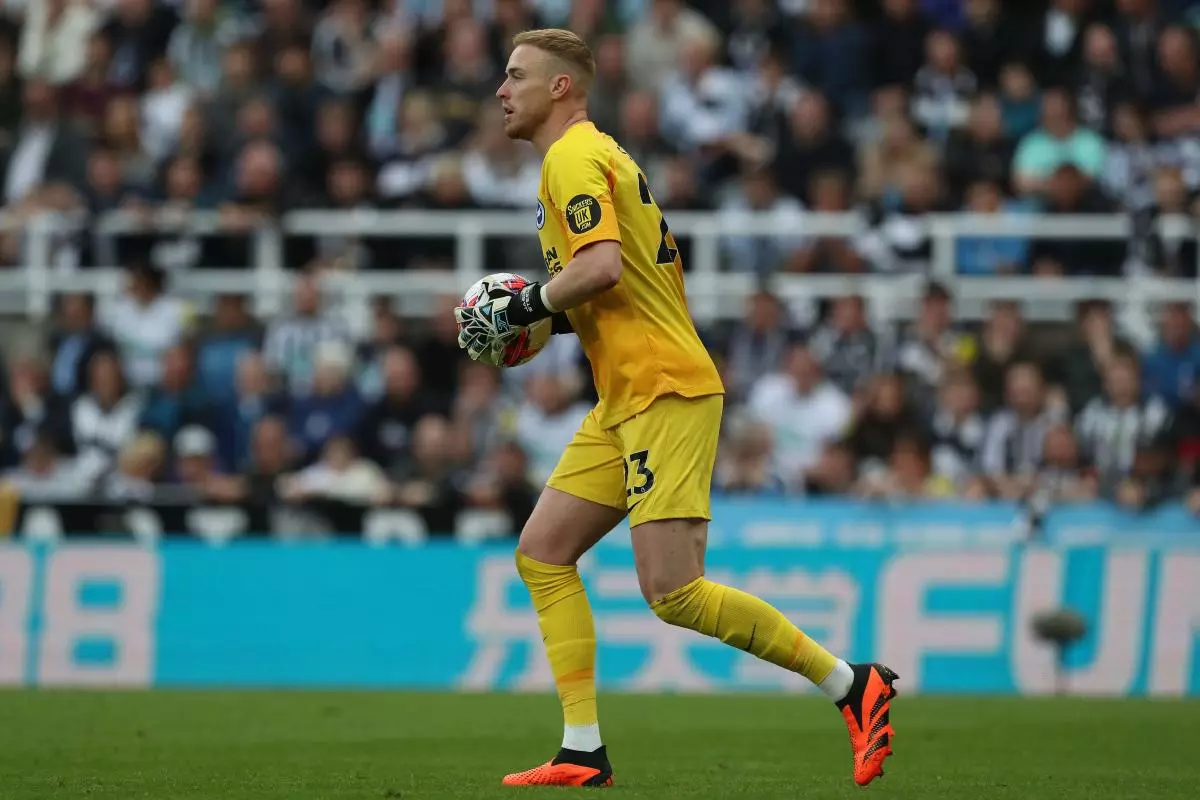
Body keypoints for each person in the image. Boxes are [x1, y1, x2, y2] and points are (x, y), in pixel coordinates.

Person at [453, 28, 898, 790]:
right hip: (624, 392)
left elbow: (599, 265)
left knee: (674, 591)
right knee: (543, 552)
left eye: (517, 75)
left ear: (561, 87)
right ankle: (582, 749)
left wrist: (525, 302)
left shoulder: (573, 158)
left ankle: (852, 685)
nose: (501, 89)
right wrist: (540, 322)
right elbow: (615, 285)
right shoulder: (593, 157)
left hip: (664, 386)